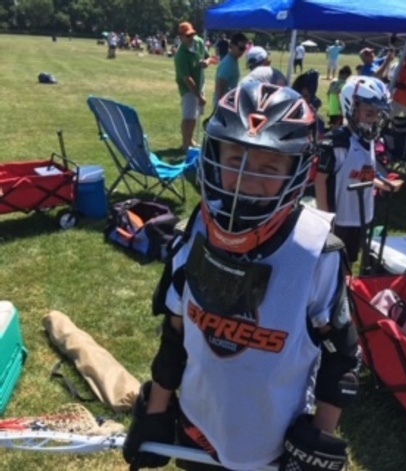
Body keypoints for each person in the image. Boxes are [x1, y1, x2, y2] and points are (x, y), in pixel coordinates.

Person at [122, 82, 360, 471]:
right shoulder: (196, 228)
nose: (248, 179)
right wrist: (157, 411)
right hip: (199, 429)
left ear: (298, 171)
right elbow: (175, 334)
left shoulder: (316, 252)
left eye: (269, 167)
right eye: (236, 160)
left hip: (274, 443)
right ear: (214, 156)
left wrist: (320, 437)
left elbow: (341, 358)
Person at [314, 76, 395, 266]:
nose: (375, 119)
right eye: (369, 113)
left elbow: (360, 171)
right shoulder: (338, 143)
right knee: (331, 265)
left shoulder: (368, 138)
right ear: (352, 108)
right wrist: (325, 219)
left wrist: (382, 184)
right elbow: (320, 181)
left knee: (349, 261)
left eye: (378, 113)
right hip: (340, 218)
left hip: (360, 215)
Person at [174, 22, 211, 151]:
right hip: (188, 88)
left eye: (192, 34)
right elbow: (187, 79)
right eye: (188, 36)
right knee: (188, 116)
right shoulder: (180, 56)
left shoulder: (199, 42)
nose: (191, 38)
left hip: (200, 83)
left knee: (195, 115)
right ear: (181, 37)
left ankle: (190, 140)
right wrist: (199, 96)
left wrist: (206, 62)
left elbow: (209, 57)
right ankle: (185, 143)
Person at [213, 33, 248, 105]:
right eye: (241, 48)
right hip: (224, 105)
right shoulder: (228, 63)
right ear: (232, 46)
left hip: (228, 103)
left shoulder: (233, 60)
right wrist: (222, 106)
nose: (242, 51)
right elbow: (220, 86)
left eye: (244, 49)